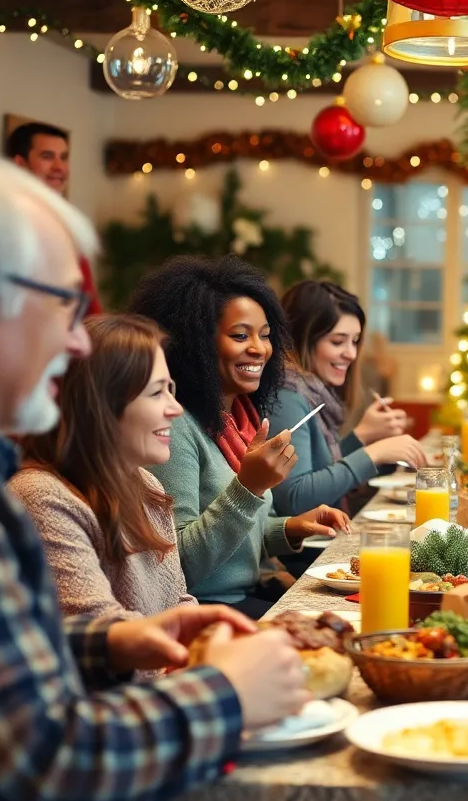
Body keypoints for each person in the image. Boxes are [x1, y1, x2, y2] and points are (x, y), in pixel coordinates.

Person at [0, 148, 311, 801]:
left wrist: (108, 640)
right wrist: (226, 697)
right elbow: (33, 767)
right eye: (65, 307)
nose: (75, 344)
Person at [133, 256, 350, 619]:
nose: (259, 349)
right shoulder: (176, 427)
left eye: (265, 335)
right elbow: (177, 568)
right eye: (240, 335)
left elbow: (235, 538)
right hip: (205, 613)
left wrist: (290, 529)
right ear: (196, 342)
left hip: (245, 597)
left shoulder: (242, 419)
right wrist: (248, 488)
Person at [10, 313, 197, 626]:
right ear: (100, 406)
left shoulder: (147, 484)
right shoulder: (41, 499)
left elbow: (179, 602)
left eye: (171, 389)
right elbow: (104, 640)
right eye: (156, 392)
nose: (175, 408)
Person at [267, 280, 426, 517]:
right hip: (308, 551)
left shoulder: (310, 390)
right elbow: (294, 498)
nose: (351, 354)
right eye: (337, 341)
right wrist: (374, 453)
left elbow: (320, 468)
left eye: (354, 341)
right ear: (301, 338)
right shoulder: (287, 396)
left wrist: (363, 435)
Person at [5, 121, 102, 316]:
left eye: (64, 158)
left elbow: (85, 293)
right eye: (47, 156)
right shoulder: (2, 218)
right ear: (20, 163)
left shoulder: (67, 220)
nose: (59, 167)